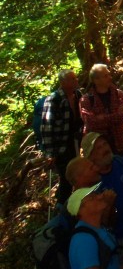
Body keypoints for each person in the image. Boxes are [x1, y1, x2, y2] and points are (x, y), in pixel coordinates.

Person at [82, 132, 123, 269]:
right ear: (91, 157)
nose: (105, 149)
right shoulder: (91, 181)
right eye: (98, 148)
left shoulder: (120, 162)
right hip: (108, 239)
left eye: (105, 144)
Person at [40, 70, 84, 206]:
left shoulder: (78, 95)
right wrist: (50, 153)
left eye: (75, 78)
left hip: (76, 142)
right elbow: (47, 128)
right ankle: (61, 209)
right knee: (66, 178)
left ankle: (78, 206)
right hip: (61, 146)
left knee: (79, 174)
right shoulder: (53, 100)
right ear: (62, 82)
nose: (76, 81)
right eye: (72, 79)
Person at [79, 64, 123, 156]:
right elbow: (91, 122)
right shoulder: (86, 99)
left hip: (119, 143)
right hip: (99, 148)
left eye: (109, 75)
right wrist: (116, 116)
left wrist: (102, 118)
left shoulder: (119, 94)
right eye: (106, 76)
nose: (110, 78)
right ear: (96, 80)